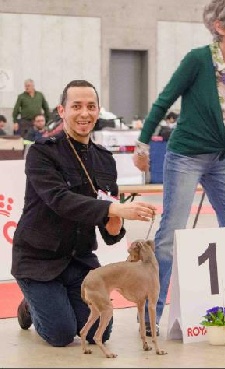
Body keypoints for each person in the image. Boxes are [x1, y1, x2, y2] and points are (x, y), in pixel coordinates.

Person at [132, 0, 225, 335]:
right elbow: (164, 100)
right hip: (185, 156)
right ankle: (151, 314)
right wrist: (142, 143)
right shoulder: (198, 60)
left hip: (220, 160)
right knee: (170, 234)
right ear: (220, 26)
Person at [11, 79, 158, 347]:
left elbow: (110, 233)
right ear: (62, 110)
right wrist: (115, 207)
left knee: (97, 331)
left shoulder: (104, 159)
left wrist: (116, 222)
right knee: (61, 334)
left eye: (91, 106)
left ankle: (56, 299)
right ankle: (30, 306)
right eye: (76, 106)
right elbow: (60, 200)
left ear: (98, 110)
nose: (84, 113)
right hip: (37, 259)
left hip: (78, 259)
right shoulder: (41, 153)